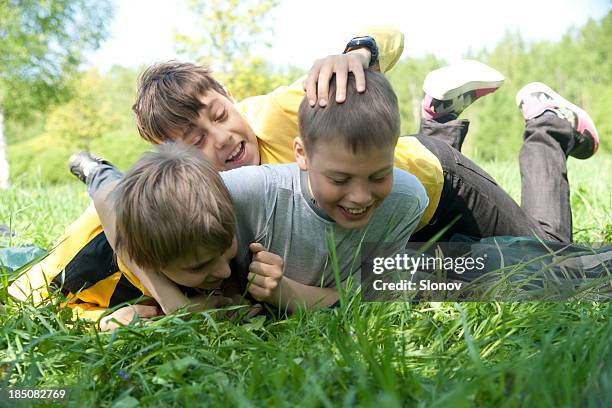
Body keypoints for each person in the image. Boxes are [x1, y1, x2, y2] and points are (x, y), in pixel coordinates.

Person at [91, 71, 428, 322]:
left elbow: (379, 291)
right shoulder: (191, 200)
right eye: (196, 141)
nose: (222, 138)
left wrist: (357, 52)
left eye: (221, 115)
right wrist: (170, 301)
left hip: (432, 174)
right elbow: (113, 200)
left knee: (456, 270)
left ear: (231, 98)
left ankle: (437, 123)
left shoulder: (277, 113)